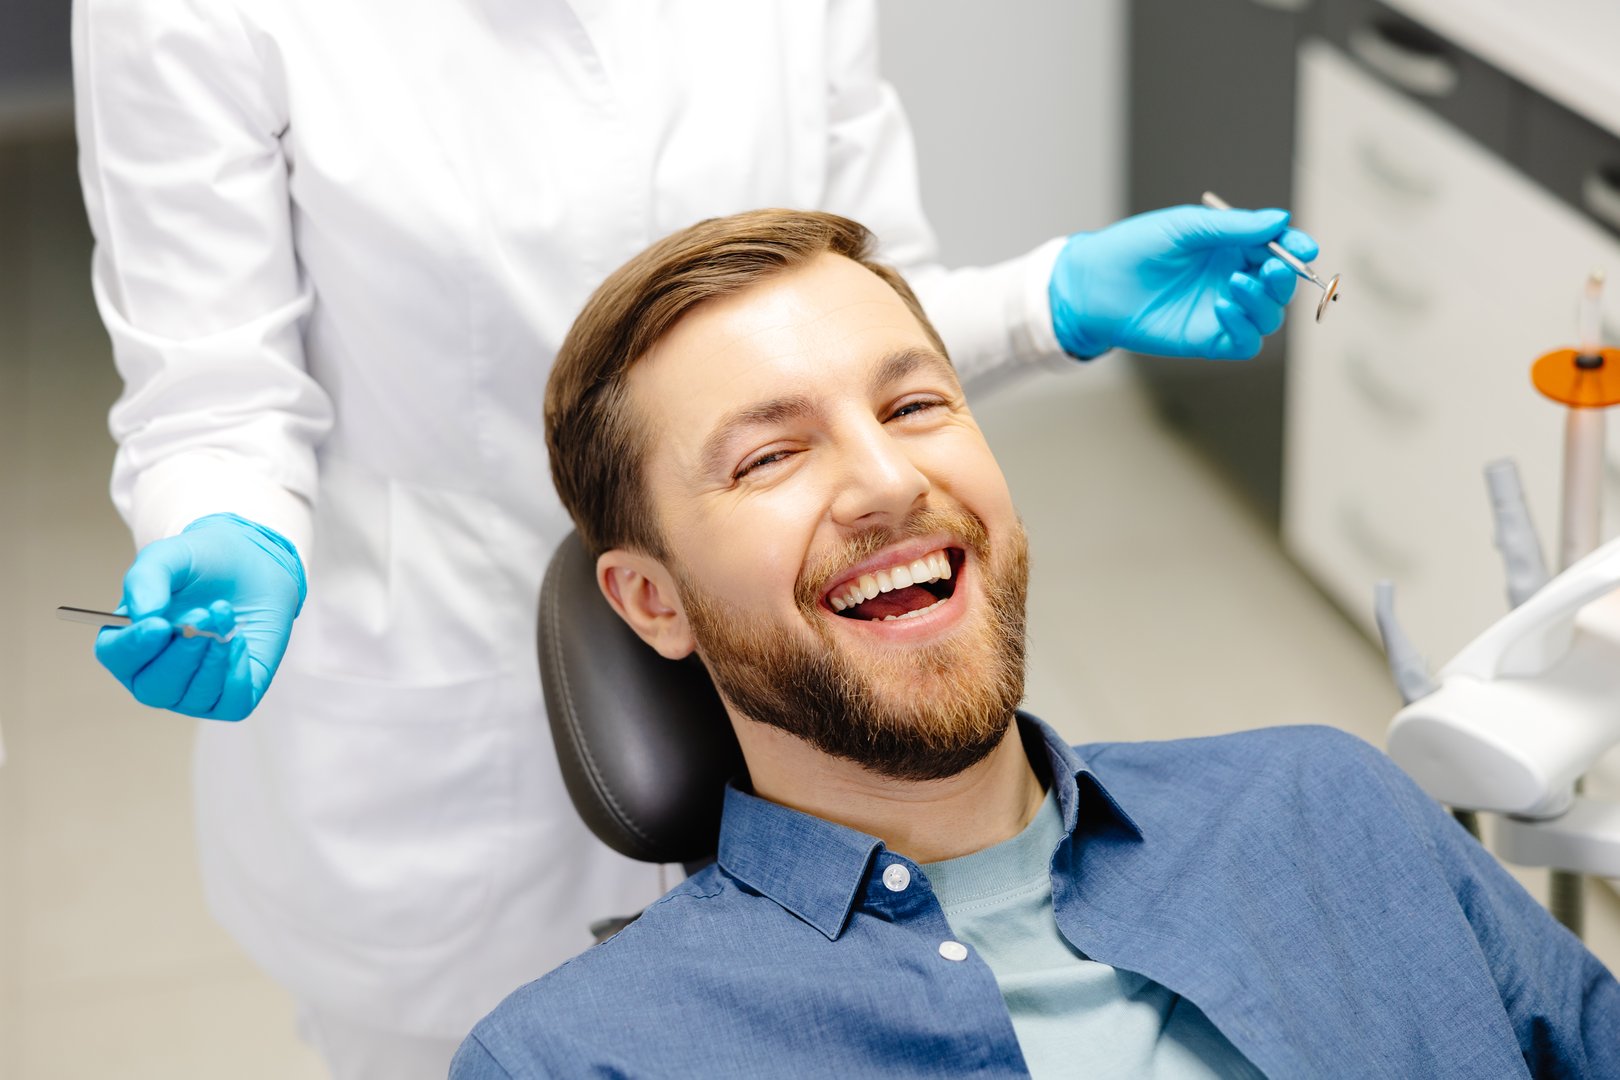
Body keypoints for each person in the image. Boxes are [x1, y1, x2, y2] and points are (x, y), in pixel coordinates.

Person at [72, 1, 1316, 1071]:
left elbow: (843, 313)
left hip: (783, 696)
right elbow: (216, 385)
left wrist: (1048, 300)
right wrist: (227, 523)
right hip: (447, 719)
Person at [451, 208, 1619, 1079]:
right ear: (652, 601)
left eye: (915, 407)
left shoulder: (1327, 802)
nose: (888, 480)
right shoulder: (571, 1061)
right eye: (770, 457)